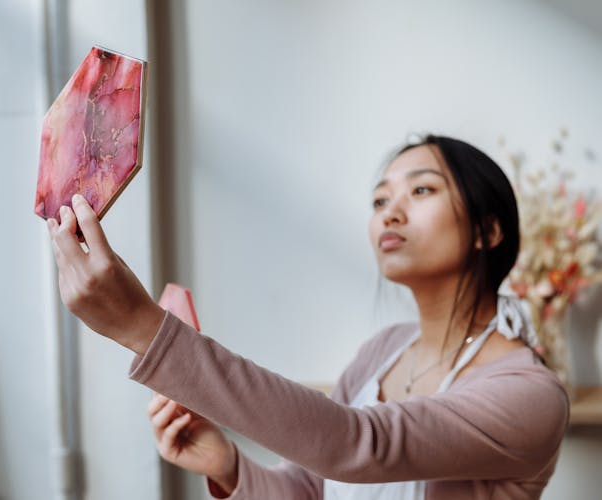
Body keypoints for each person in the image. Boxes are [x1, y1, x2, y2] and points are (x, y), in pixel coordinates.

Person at [46, 134, 569, 499]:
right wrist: (227, 464)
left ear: (488, 231)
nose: (389, 211)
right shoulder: (383, 351)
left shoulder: (530, 395)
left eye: (422, 190)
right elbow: (312, 489)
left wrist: (145, 329)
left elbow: (358, 445)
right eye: (380, 198)